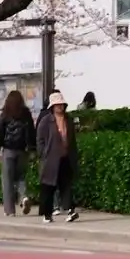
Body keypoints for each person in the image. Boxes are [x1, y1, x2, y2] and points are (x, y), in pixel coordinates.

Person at [35, 92, 80, 223]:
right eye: (57, 105)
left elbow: (72, 140)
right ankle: (47, 214)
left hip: (65, 157)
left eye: (61, 104)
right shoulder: (46, 121)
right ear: (52, 107)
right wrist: (43, 153)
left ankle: (71, 210)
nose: (60, 107)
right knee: (48, 187)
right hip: (50, 160)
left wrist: (74, 155)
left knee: (66, 185)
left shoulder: (68, 120)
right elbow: (40, 139)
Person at [0, 90, 35, 216]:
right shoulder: (26, 113)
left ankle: (10, 211)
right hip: (23, 151)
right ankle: (23, 197)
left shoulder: (5, 114)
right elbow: (31, 132)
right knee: (21, 177)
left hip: (8, 150)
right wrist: (32, 148)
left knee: (7, 180)